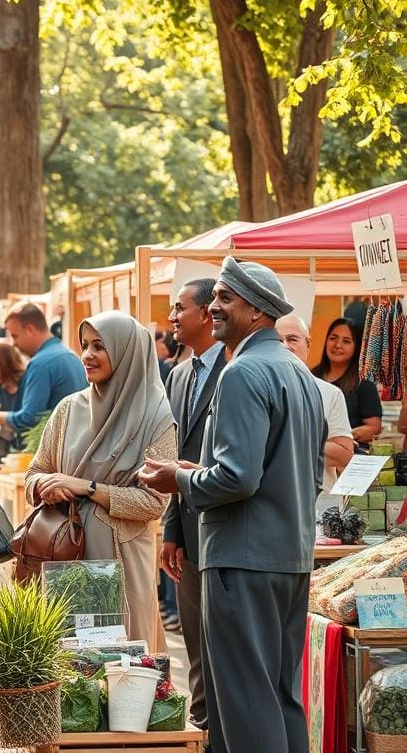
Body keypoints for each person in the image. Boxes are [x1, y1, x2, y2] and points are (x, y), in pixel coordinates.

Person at [139, 257, 326, 753]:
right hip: (288, 558)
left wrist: (175, 476)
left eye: (225, 298)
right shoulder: (297, 372)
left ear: (259, 311)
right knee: (281, 697)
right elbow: (305, 476)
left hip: (241, 561)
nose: (214, 306)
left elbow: (236, 478)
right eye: (216, 296)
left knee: (244, 704)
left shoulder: (243, 372)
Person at [25, 311, 176, 651]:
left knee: (126, 664)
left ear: (125, 352)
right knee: (70, 662)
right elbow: (34, 474)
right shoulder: (68, 409)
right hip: (65, 557)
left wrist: (89, 488)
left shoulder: (156, 417)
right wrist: (47, 486)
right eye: (84, 346)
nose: (87, 355)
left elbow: (154, 503)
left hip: (122, 562)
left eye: (99, 346)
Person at [161, 278, 226, 731]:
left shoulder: (237, 366)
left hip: (226, 526)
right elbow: (171, 456)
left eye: (179, 308)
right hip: (188, 529)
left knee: (225, 645)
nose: (171, 318)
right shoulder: (179, 373)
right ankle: (202, 726)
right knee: (195, 641)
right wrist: (170, 530)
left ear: (206, 313)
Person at [276, 315, 354, 515]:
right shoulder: (254, 391)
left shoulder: (329, 393)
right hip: (270, 509)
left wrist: (291, 439)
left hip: (319, 507)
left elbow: (345, 454)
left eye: (292, 339)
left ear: (308, 344)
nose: (285, 346)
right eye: (276, 341)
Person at [0, 301, 86, 439]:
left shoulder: (40, 364)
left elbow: (29, 418)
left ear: (30, 330)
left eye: (14, 336)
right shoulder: (72, 356)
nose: (13, 343)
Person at [311, 317, 382, 448]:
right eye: (333, 338)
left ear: (357, 347)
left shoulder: (364, 383)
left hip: (350, 455)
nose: (338, 345)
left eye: (346, 341)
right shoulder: (311, 376)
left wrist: (342, 437)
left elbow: (374, 427)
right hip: (312, 452)